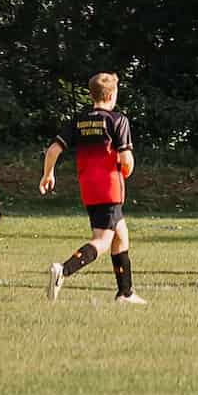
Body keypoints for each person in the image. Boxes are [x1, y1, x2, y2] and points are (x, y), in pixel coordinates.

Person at [40, 72, 141, 304]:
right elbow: (126, 159)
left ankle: (125, 293)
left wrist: (48, 174)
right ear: (112, 94)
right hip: (110, 187)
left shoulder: (79, 119)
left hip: (88, 187)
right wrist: (127, 170)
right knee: (103, 240)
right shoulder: (117, 120)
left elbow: (54, 149)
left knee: (121, 237)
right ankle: (62, 271)